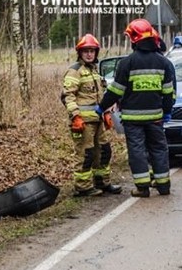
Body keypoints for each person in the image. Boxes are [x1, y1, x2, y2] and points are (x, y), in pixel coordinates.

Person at [99, 19, 176, 197]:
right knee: (159, 148)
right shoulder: (163, 63)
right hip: (156, 117)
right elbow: (168, 92)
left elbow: (116, 91)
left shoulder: (127, 63)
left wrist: (101, 107)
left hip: (133, 120)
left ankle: (142, 188)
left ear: (134, 38)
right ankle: (164, 186)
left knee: (137, 151)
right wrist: (167, 111)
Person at [60, 33, 123, 197]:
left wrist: (107, 112)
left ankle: (103, 182)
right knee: (85, 154)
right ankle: (83, 187)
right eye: (86, 51)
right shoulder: (75, 71)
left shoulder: (95, 71)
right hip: (83, 122)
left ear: (96, 53)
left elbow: (101, 96)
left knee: (104, 151)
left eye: (92, 51)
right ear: (80, 52)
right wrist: (75, 116)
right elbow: (68, 96)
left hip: (98, 121)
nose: (89, 54)